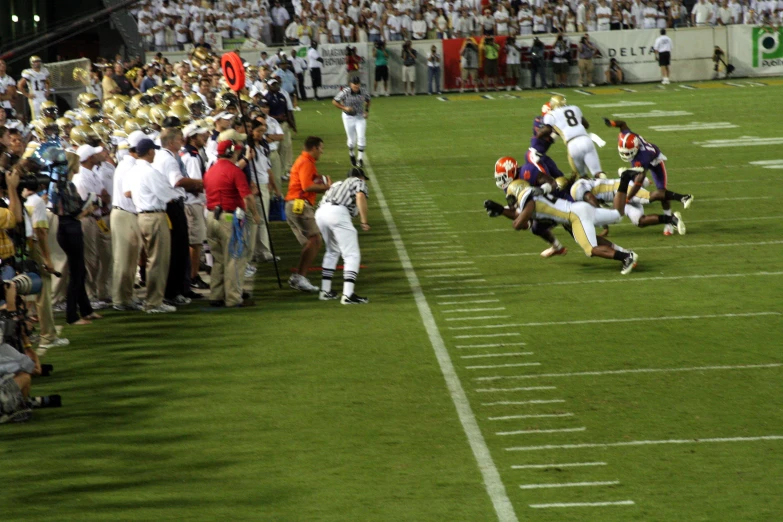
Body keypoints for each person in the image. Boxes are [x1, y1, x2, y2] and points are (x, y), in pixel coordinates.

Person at [508, 178, 639, 274]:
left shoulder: (528, 201)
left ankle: (626, 257)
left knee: (590, 249)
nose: (512, 201)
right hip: (580, 208)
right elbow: (548, 187)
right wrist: (500, 210)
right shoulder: (535, 194)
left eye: (512, 197)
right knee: (617, 215)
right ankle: (624, 179)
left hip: (575, 216)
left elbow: (518, 224)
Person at [604, 118, 694, 236]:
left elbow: (638, 183)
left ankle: (671, 217)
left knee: (661, 191)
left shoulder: (642, 158)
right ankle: (674, 210)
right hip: (641, 161)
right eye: (623, 152)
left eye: (627, 152)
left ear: (635, 148)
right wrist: (613, 123)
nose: (625, 155)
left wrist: (628, 197)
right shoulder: (627, 135)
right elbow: (623, 123)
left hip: (655, 161)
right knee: (632, 178)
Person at [202, 137, 260, 308]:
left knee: (219, 259)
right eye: (236, 151)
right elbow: (247, 196)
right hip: (228, 218)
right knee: (235, 258)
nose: (238, 154)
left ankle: (216, 295)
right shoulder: (235, 172)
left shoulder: (210, 171)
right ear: (230, 152)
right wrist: (255, 214)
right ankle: (234, 298)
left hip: (211, 217)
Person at [128, 138, 182, 313]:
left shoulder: (134, 170)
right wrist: (179, 192)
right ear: (150, 152)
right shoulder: (150, 171)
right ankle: (154, 302)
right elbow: (167, 194)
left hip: (142, 216)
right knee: (158, 260)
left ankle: (152, 300)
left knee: (151, 260)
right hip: (154, 217)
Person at [152, 127, 199, 306]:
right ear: (171, 142)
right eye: (180, 139)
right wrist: (201, 182)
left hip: (170, 206)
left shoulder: (164, 156)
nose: (183, 142)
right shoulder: (169, 159)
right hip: (172, 206)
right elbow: (177, 181)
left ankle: (175, 290)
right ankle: (173, 292)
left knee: (176, 250)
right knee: (177, 250)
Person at [315, 167, 371, 305]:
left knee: (332, 251)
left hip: (321, 213)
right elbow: (360, 196)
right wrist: (364, 221)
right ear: (361, 177)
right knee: (351, 255)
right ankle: (348, 294)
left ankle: (325, 291)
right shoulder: (358, 181)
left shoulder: (336, 184)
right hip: (337, 213)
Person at [285, 137, 332, 293]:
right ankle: (300, 277)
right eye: (321, 148)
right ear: (314, 148)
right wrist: (326, 187)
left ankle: (299, 277)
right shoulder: (306, 162)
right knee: (315, 239)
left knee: (311, 243)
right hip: (299, 204)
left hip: (294, 204)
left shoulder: (303, 161)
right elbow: (306, 186)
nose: (322, 152)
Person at [110, 131, 143, 311]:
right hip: (125, 214)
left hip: (126, 214)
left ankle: (127, 296)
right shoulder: (129, 166)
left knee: (130, 260)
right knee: (123, 259)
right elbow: (129, 192)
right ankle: (119, 299)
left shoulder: (128, 164)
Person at [539, 95, 605, 178]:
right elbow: (586, 125)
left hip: (572, 144)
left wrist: (538, 135)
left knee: (583, 176)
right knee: (597, 172)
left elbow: (546, 130)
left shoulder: (551, 115)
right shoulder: (575, 108)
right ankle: (603, 180)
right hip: (585, 139)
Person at [180, 123, 211, 290]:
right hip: (192, 203)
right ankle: (193, 276)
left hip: (191, 202)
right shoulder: (191, 156)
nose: (204, 137)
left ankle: (193, 273)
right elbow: (194, 182)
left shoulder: (189, 153)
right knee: (195, 242)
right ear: (192, 138)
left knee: (195, 241)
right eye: (200, 135)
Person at [333, 76, 371, 168]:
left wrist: (366, 111)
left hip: (360, 116)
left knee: (361, 137)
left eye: (357, 85)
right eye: (354, 85)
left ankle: (360, 159)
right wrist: (344, 107)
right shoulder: (345, 92)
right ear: (350, 84)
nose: (356, 87)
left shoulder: (363, 91)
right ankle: (351, 153)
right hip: (348, 117)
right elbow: (334, 101)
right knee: (351, 139)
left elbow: (368, 100)